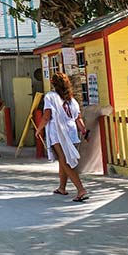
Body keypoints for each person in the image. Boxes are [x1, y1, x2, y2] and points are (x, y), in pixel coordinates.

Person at [35, 71, 89, 202]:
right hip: (72, 133)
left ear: (53, 83)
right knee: (63, 160)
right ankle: (62, 187)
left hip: (58, 133)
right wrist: (84, 131)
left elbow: (47, 116)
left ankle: (81, 190)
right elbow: (78, 118)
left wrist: (39, 129)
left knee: (65, 162)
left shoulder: (50, 97)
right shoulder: (72, 100)